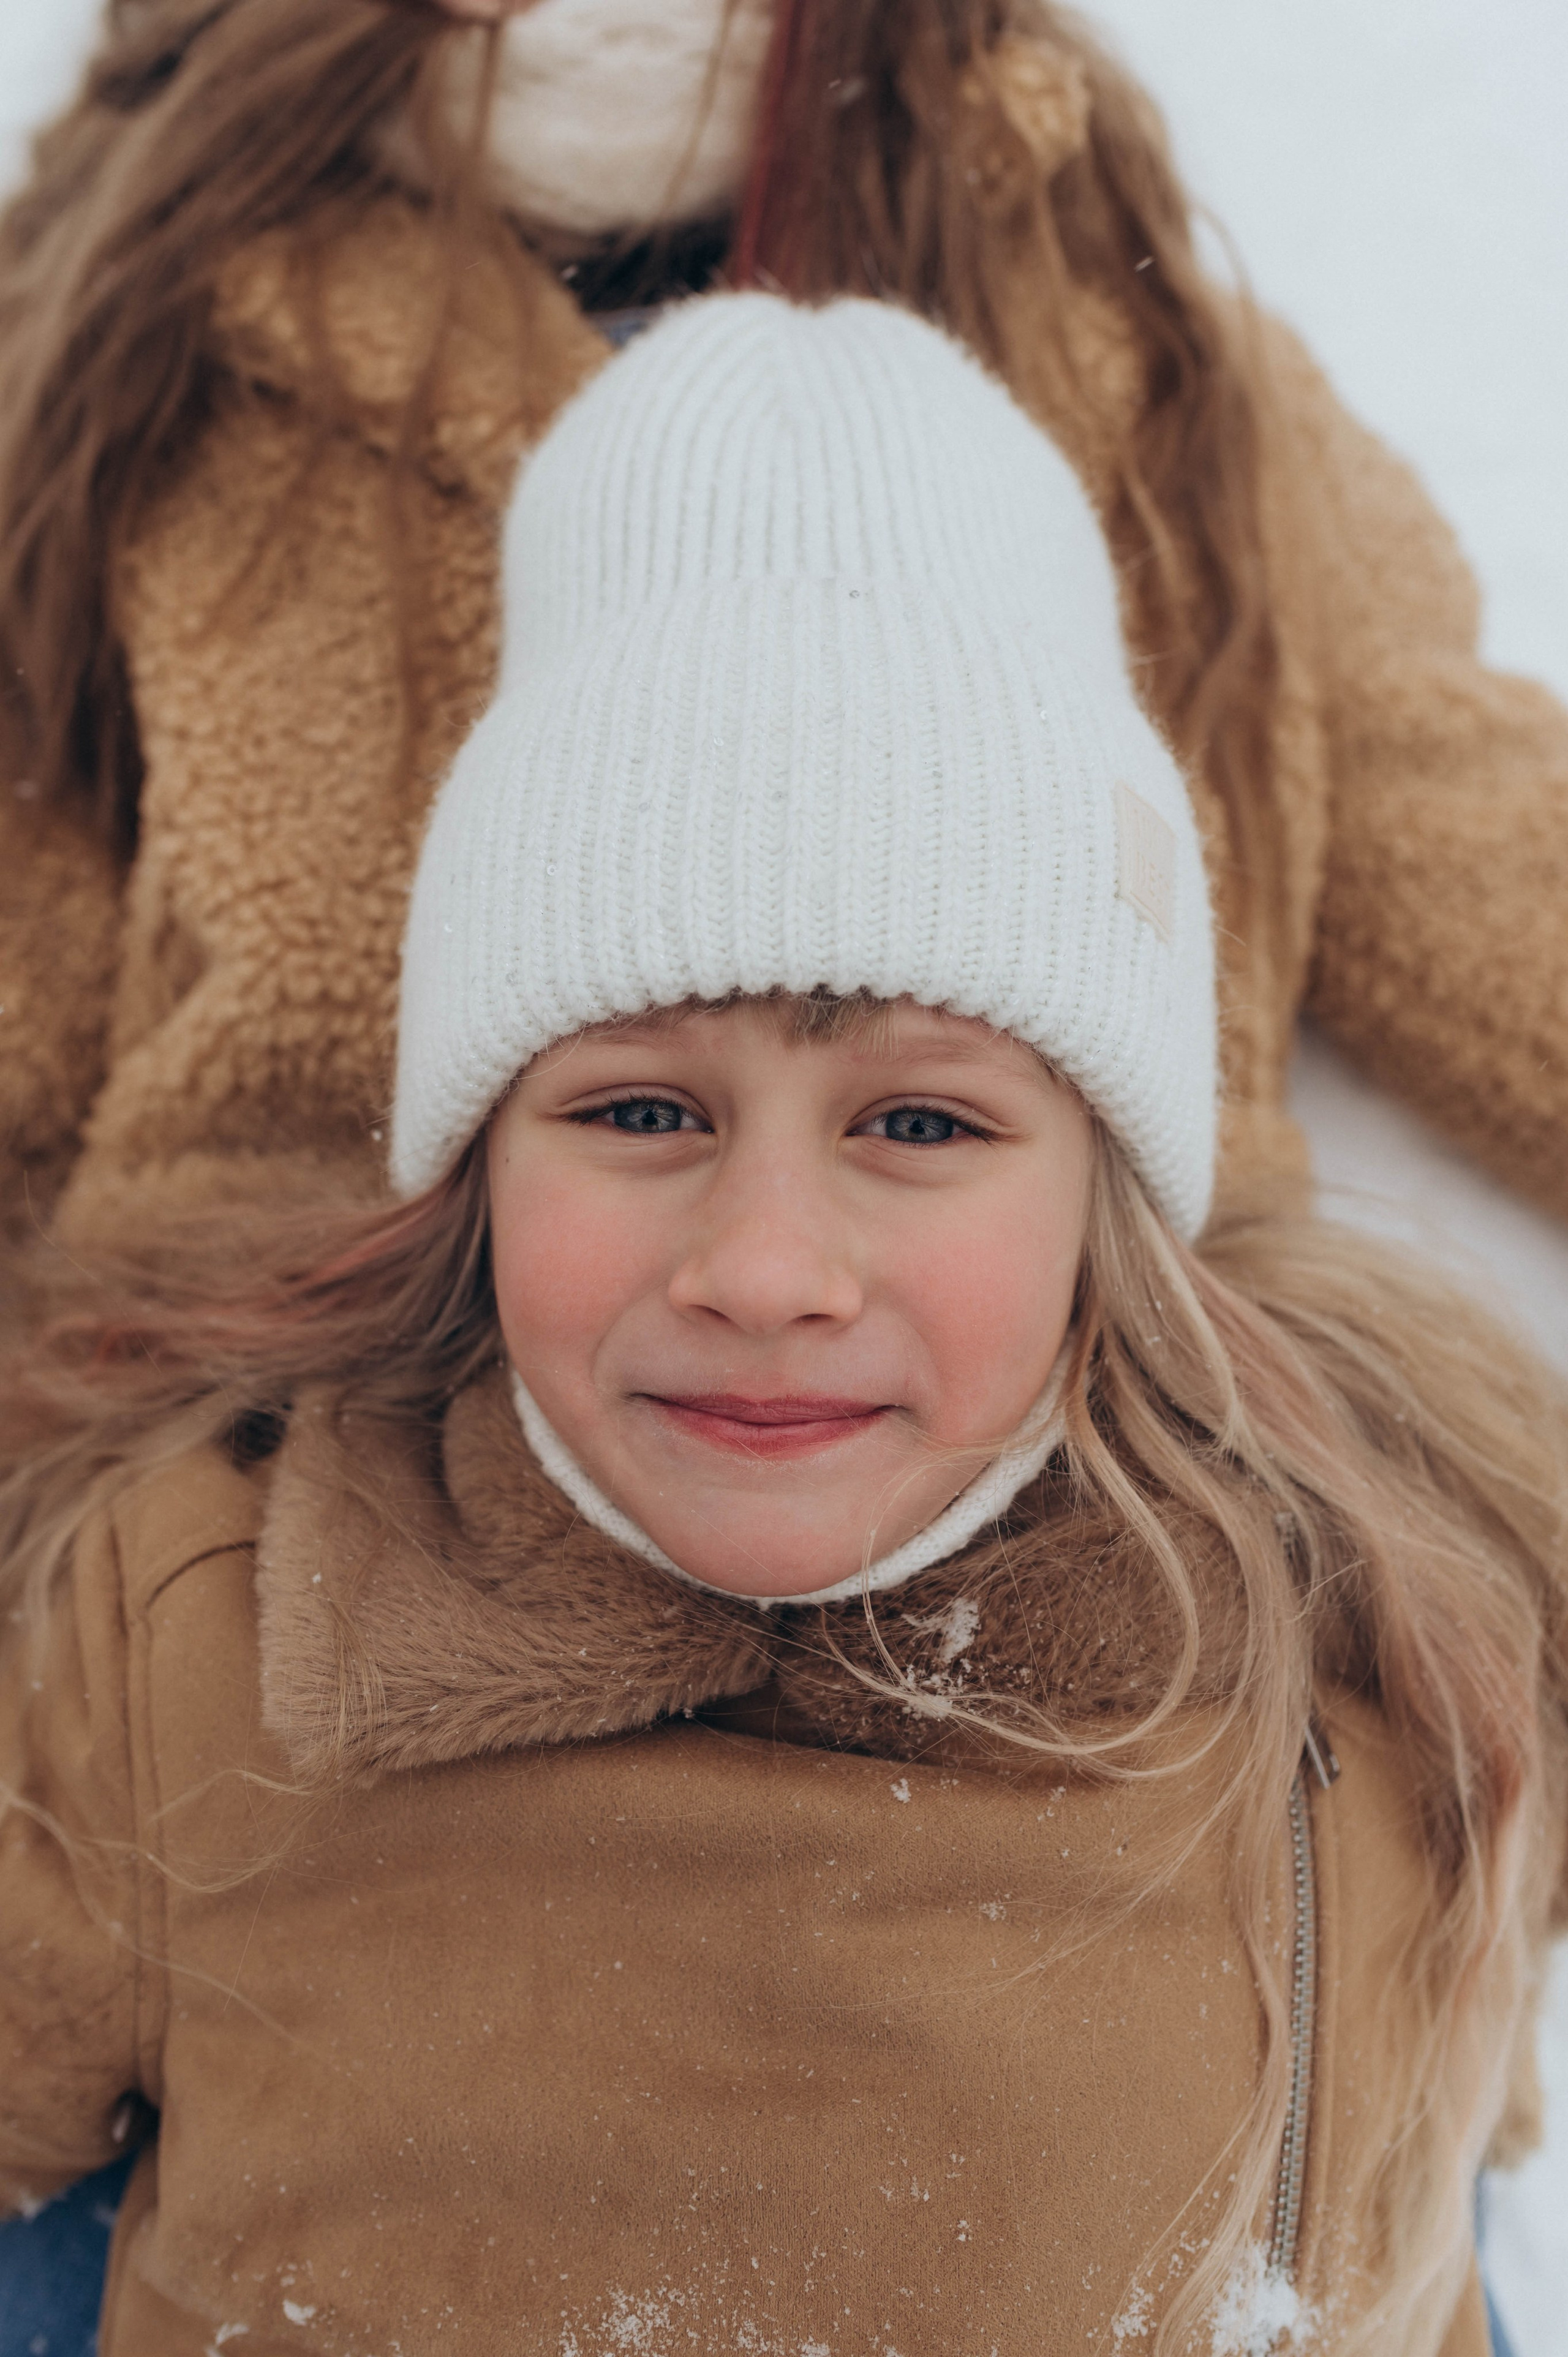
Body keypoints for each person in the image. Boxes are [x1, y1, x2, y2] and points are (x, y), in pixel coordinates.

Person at [1, 292, 1562, 2357]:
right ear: (478, 1164)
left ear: (1105, 1196)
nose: (762, 1266)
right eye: (641, 1111)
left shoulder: (1389, 1647)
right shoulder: (192, 1621)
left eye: (919, 1122)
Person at [2, 0, 1568, 1260]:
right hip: (306, 1388)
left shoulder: (1117, 333)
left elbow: (1448, 814)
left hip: (1086, 1403)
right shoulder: (136, 338)